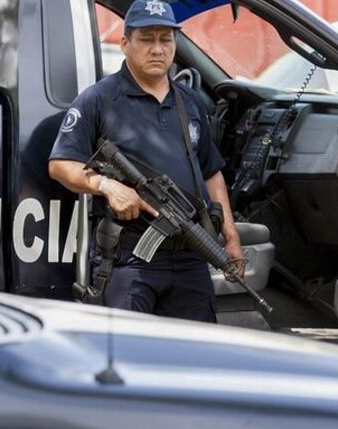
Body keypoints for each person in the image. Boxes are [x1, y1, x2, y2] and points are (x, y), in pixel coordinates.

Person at [47, 0, 243, 323]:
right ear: (125, 44)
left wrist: (231, 238)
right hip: (131, 260)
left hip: (191, 255)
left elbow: (212, 174)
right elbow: (60, 164)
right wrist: (106, 185)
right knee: (131, 361)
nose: (157, 49)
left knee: (197, 363)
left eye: (165, 39)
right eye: (146, 39)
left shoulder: (189, 102)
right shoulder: (100, 99)